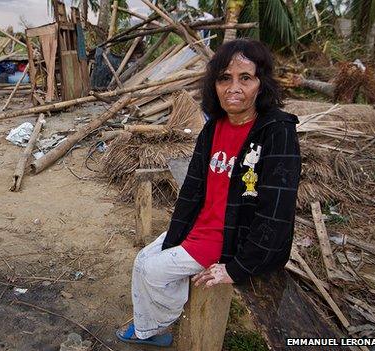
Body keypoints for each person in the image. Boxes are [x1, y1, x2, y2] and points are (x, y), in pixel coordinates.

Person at [116, 39, 301, 347]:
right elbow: (192, 190)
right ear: (214, 85)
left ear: (262, 84)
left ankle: (154, 328)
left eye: (246, 78)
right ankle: (154, 323)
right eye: (224, 78)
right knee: (141, 260)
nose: (233, 88)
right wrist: (177, 232)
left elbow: (276, 212)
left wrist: (237, 268)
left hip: (232, 239)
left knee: (151, 270)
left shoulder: (276, 132)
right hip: (199, 228)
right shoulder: (213, 127)